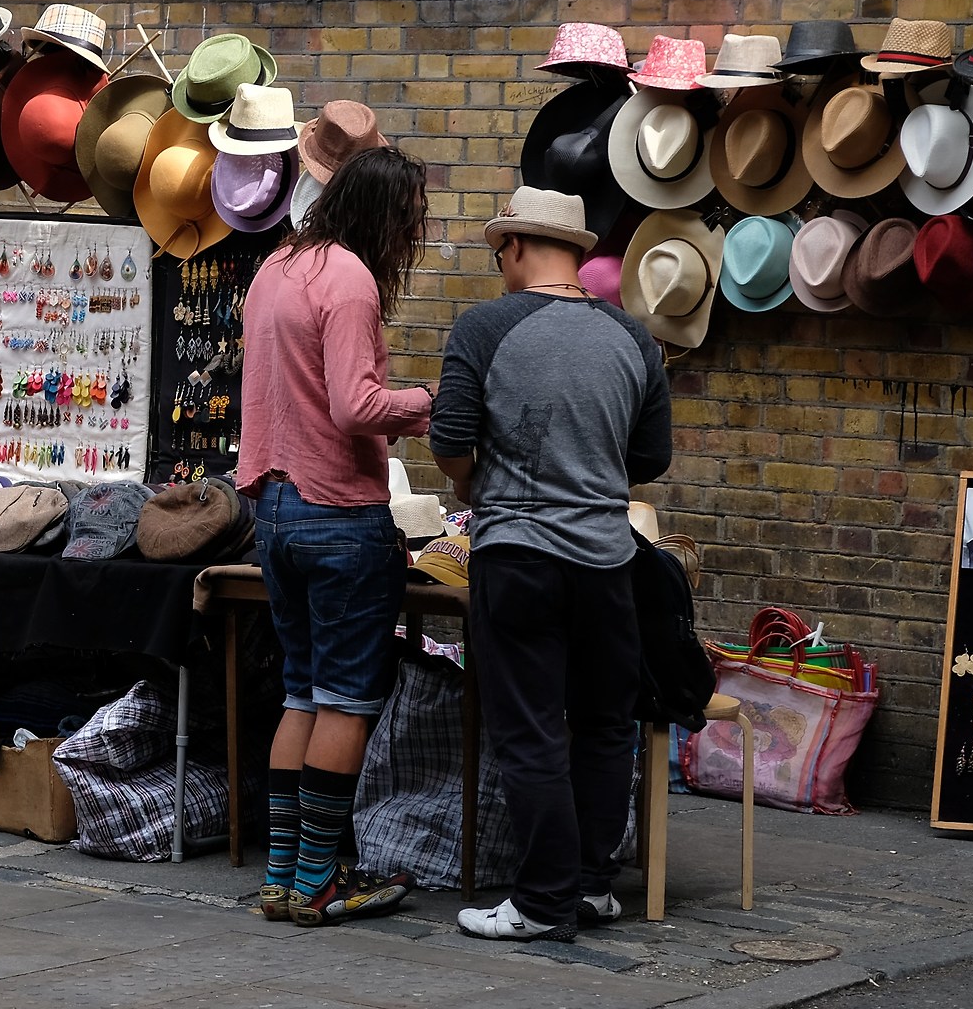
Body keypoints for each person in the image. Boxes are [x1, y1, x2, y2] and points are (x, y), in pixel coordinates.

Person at [430, 186, 671, 942]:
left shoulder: (484, 327)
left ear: (518, 248)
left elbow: (450, 440)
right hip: (607, 558)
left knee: (530, 729)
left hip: (518, 554)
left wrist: (473, 486)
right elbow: (650, 458)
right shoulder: (635, 339)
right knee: (604, 726)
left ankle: (541, 902)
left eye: (500, 251)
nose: (499, 263)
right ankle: (592, 888)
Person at [233, 145, 433, 926]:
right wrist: (434, 399)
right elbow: (355, 406)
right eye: (411, 222)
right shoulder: (349, 280)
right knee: (346, 704)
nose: (413, 236)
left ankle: (285, 879)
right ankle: (318, 882)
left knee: (302, 695)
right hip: (340, 518)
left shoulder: (278, 266)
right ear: (384, 216)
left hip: (275, 515)